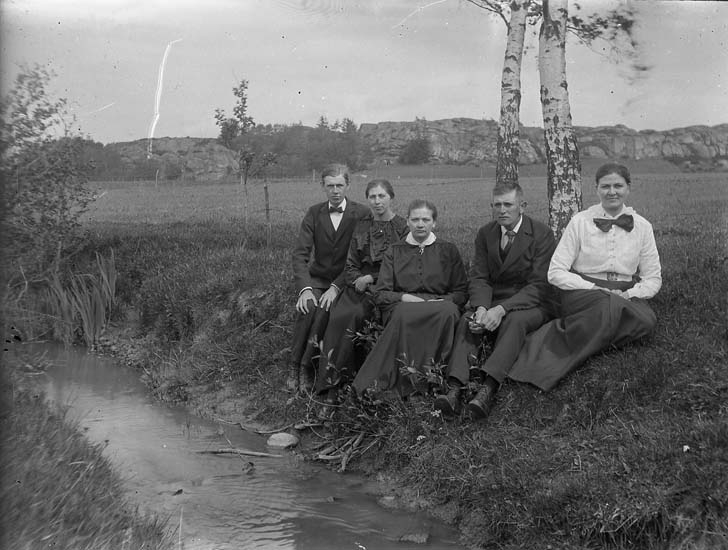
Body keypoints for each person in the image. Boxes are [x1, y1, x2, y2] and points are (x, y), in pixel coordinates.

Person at [508, 162, 662, 390]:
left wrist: (629, 293)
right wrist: (593, 289)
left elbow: (653, 278)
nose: (612, 192)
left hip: (625, 292)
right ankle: (544, 362)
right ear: (596, 189)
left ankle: (585, 337)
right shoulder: (580, 221)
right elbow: (556, 271)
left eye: (618, 186)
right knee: (607, 306)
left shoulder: (642, 226)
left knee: (648, 321)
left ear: (628, 188)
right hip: (583, 291)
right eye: (605, 186)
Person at [433, 182, 557, 419]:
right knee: (468, 320)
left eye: (508, 204)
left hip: (531, 302)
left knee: (515, 321)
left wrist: (501, 310)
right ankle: (454, 387)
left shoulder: (541, 234)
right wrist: (481, 307)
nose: (502, 210)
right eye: (497, 205)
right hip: (492, 299)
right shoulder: (486, 233)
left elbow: (540, 285)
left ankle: (488, 388)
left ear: (522, 206)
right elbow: (479, 276)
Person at [351, 199, 469, 396]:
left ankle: (432, 378)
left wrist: (443, 301)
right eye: (415, 219)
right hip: (403, 305)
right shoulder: (395, 250)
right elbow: (381, 293)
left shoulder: (448, 250)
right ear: (407, 221)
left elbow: (461, 292)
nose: (420, 224)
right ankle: (403, 382)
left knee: (448, 312)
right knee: (403, 314)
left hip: (439, 306)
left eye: (425, 219)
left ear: (434, 223)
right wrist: (405, 297)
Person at [315, 179, 408, 399]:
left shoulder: (403, 227)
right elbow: (350, 263)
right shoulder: (362, 225)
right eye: (372, 197)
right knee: (338, 317)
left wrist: (370, 278)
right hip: (356, 287)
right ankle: (330, 384)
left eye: (382, 196)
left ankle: (348, 382)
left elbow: (402, 267)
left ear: (391, 198)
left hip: (385, 287)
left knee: (355, 316)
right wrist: (358, 278)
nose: (377, 202)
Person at [287, 163, 369, 393]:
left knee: (325, 310)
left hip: (347, 280)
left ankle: (306, 365)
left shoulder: (361, 213)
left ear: (348, 185)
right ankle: (294, 366)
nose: (335, 190)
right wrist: (304, 288)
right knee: (309, 306)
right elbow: (300, 254)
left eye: (340, 185)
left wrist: (336, 286)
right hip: (317, 279)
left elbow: (360, 258)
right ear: (323, 186)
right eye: (330, 185)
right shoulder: (314, 213)